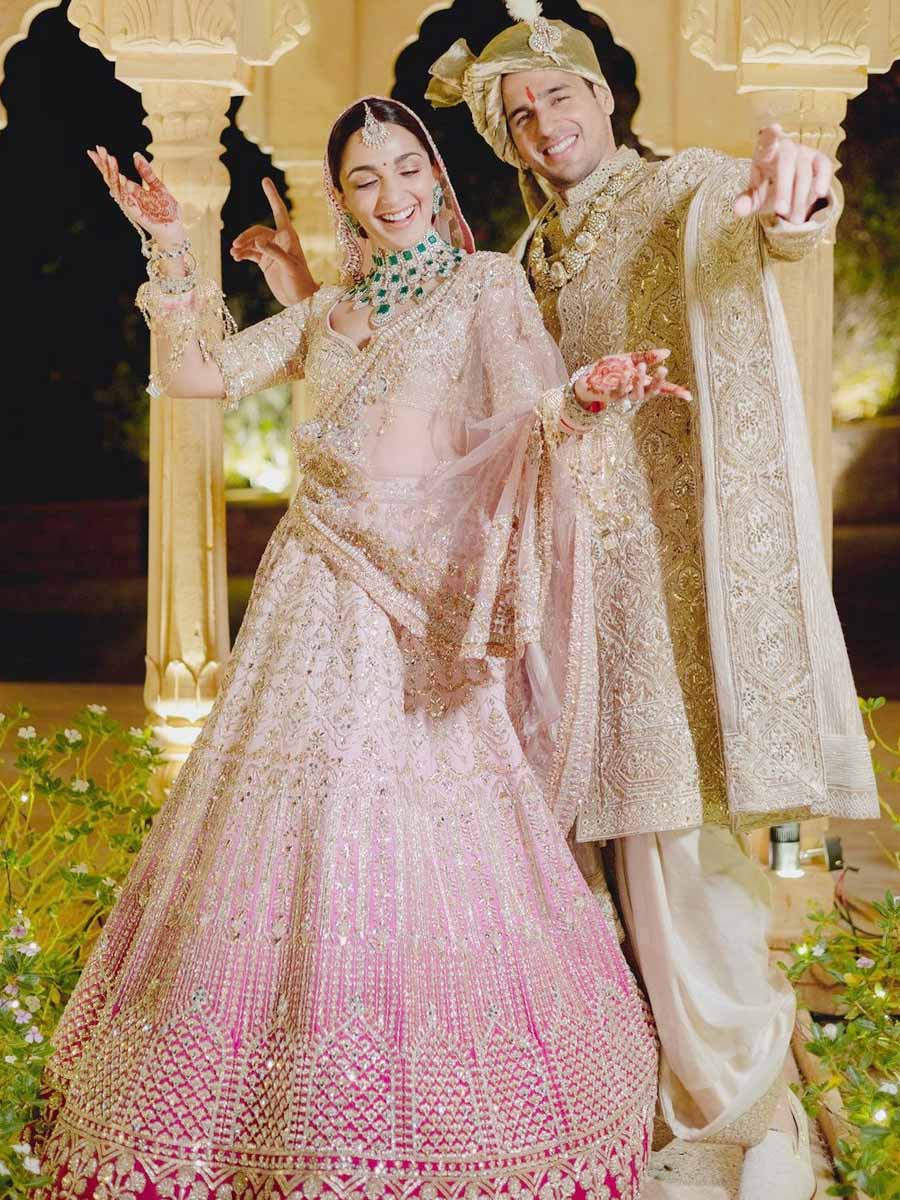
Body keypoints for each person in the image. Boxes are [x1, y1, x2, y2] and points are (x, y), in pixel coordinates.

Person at [28, 97, 671, 1200]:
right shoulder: (327, 313)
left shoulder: (484, 287)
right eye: (365, 178)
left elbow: (523, 417)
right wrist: (169, 245)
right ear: (343, 198)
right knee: (294, 822)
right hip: (310, 599)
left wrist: (581, 397)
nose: (392, 193)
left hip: (420, 611)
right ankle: (260, 1115)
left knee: (411, 826)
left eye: (407, 167)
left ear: (436, 176)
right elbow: (197, 375)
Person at [422, 5, 879, 1198]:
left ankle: (740, 1114)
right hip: (574, 597)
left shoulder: (685, 188)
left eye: (560, 96)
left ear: (604, 97)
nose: (545, 122)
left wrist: (794, 201)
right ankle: (635, 1102)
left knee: (682, 846)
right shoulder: (529, 259)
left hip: (680, 594)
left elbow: (766, 220)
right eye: (519, 113)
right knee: (591, 855)